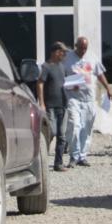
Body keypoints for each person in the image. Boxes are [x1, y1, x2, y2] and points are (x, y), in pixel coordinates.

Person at [68, 34, 112, 167]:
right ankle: (73, 156)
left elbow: (99, 74)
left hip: (89, 99)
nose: (83, 51)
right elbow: (61, 75)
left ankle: (82, 156)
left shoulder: (92, 57)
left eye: (85, 48)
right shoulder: (67, 58)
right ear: (76, 46)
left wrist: (108, 88)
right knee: (75, 126)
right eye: (80, 48)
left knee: (86, 129)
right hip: (73, 98)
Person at [37, 42, 73, 172]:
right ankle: (41, 160)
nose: (64, 54)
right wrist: (41, 103)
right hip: (50, 106)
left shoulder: (62, 67)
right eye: (62, 52)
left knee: (62, 136)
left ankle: (58, 163)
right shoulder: (46, 67)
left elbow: (66, 84)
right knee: (51, 132)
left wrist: (73, 87)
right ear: (55, 52)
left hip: (63, 106)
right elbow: (40, 83)